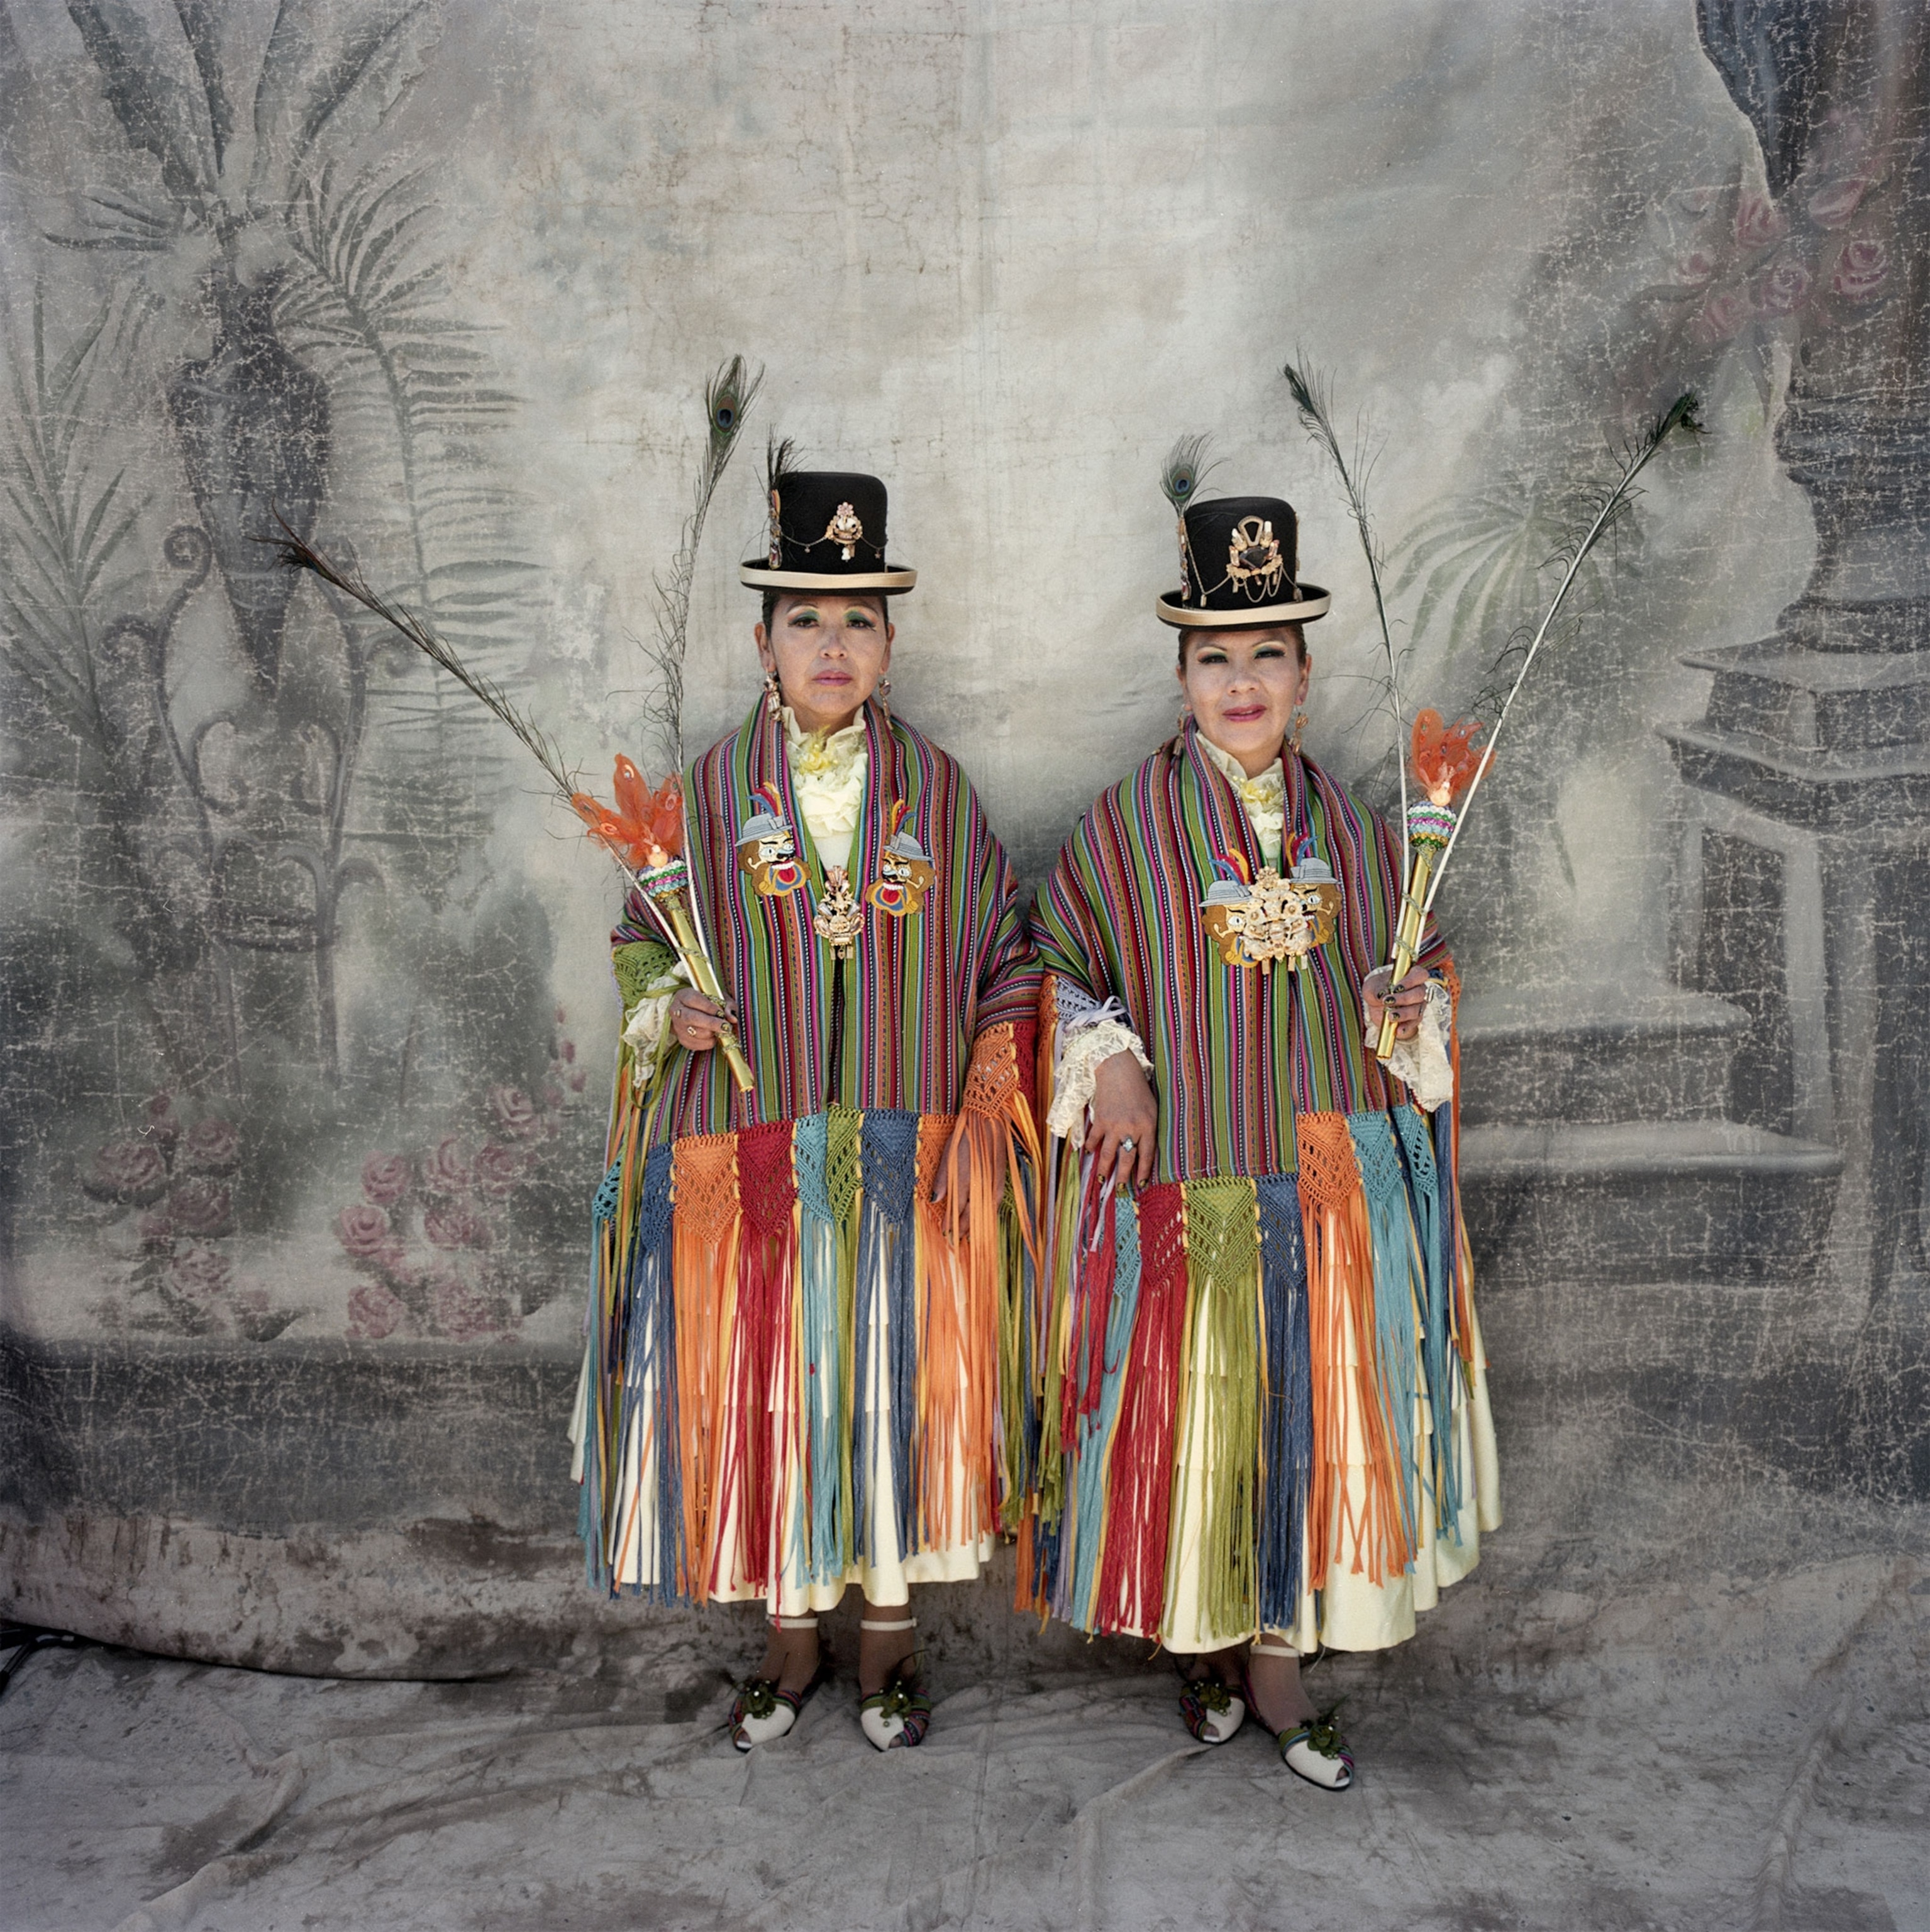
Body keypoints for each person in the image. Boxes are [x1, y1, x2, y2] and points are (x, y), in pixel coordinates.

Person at [1017, 479, 1500, 1790]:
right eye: (1214, 656)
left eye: (1266, 655)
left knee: (1297, 1414)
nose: (1240, 681)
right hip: (1190, 1201)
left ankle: (1277, 1662)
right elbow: (1051, 962)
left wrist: (1409, 1007)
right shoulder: (1126, 826)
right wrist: (1106, 1059)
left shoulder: (1351, 826)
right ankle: (1201, 1637)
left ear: (1303, 669)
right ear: (1179, 671)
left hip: (1326, 1197)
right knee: (1204, 1421)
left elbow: (1420, 974)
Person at [572, 458, 1041, 1752]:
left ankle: (887, 1645)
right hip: (752, 1172)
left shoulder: (938, 796)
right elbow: (637, 948)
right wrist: (671, 1013)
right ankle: (786, 1642)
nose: (830, 645)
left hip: (904, 1162)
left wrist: (989, 1097)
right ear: (759, 639)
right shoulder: (703, 803)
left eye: (856, 622)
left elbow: (1006, 954)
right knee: (778, 1398)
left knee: (888, 1395)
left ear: (891, 643)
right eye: (803, 620)